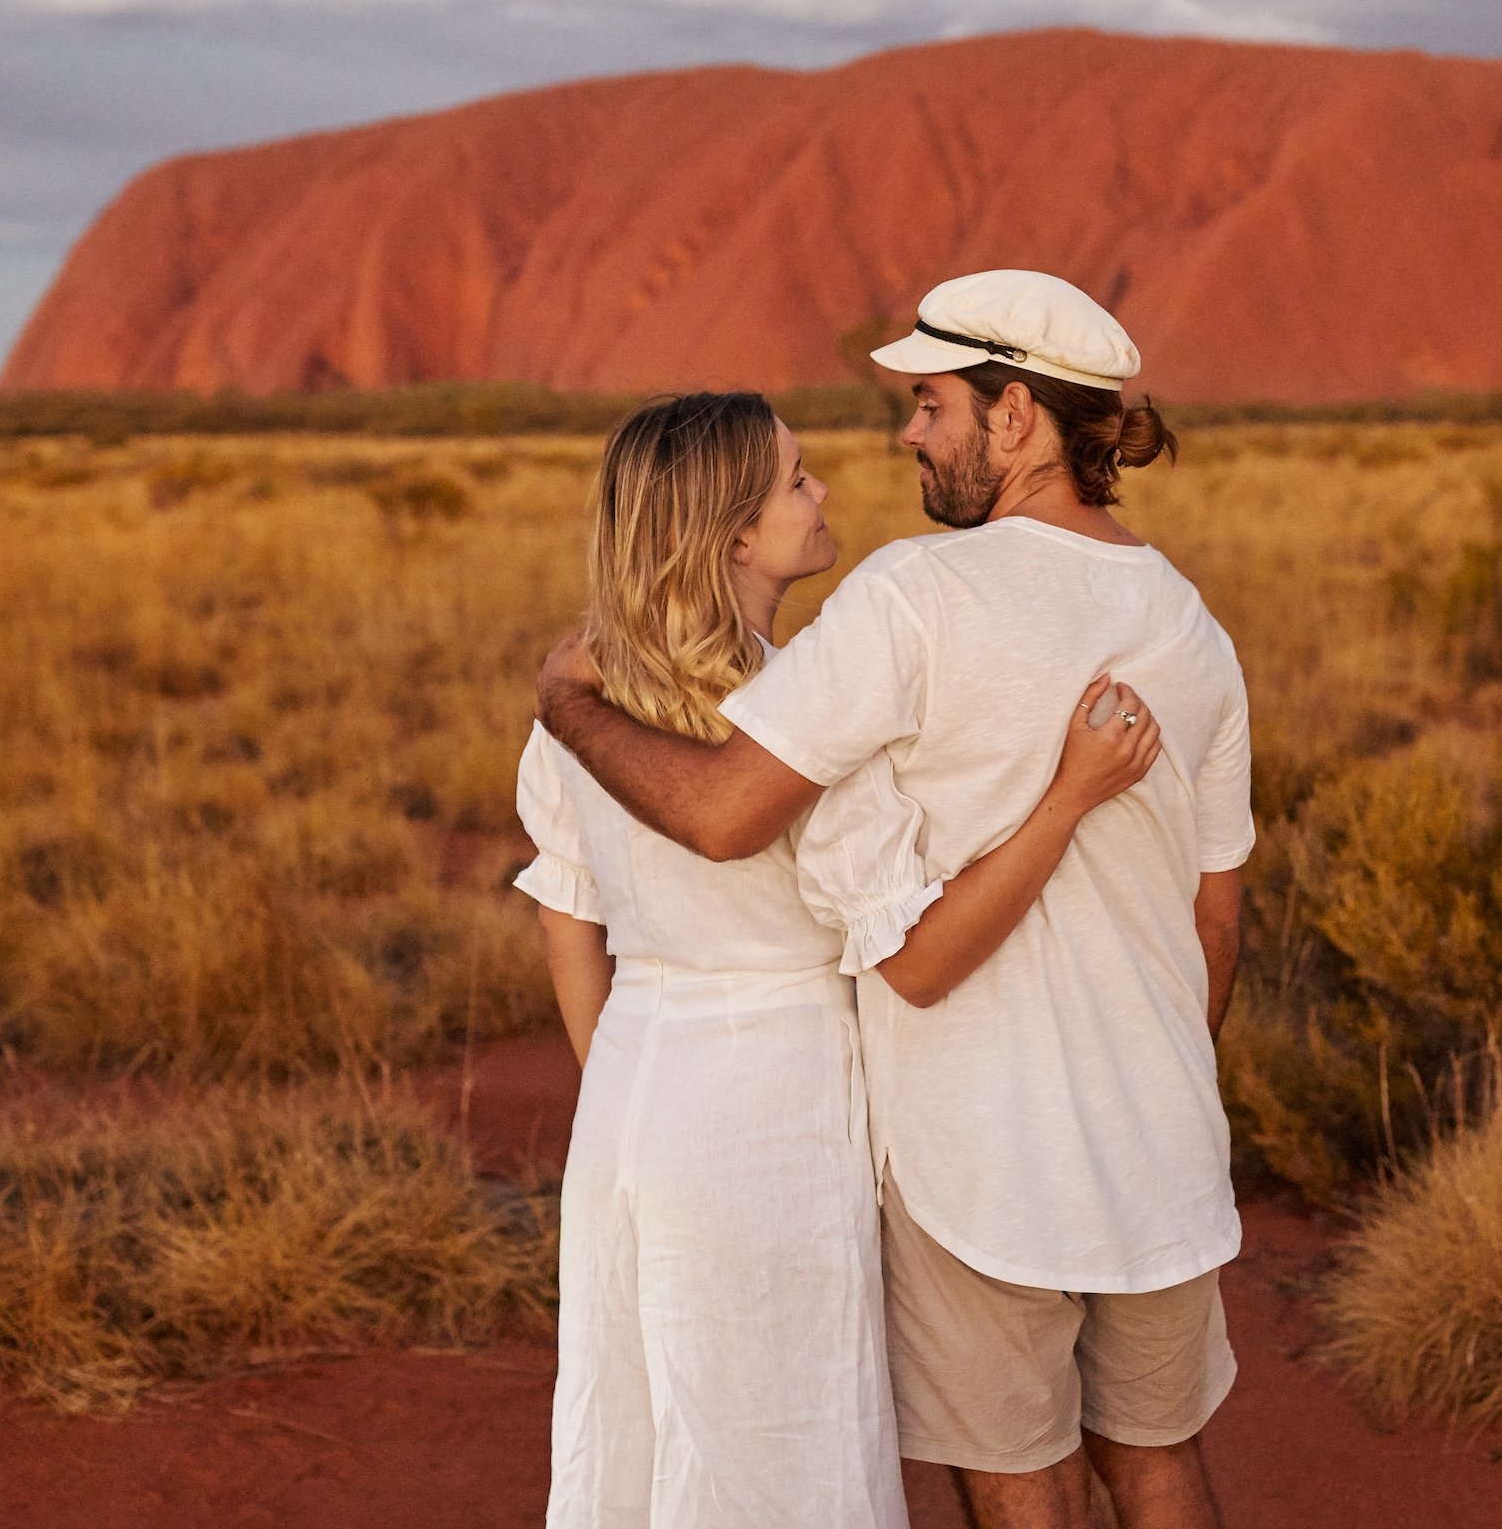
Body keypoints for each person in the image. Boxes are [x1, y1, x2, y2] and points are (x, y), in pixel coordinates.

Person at [537, 273, 1254, 1529]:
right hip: (1156, 1146)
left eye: (930, 405)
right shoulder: (1194, 630)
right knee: (1155, 1458)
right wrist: (1145, 1085)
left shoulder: (914, 597)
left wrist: (568, 702)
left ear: (1016, 416)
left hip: (966, 1150)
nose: (905, 437)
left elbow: (718, 818)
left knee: (1001, 1474)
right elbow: (1218, 919)